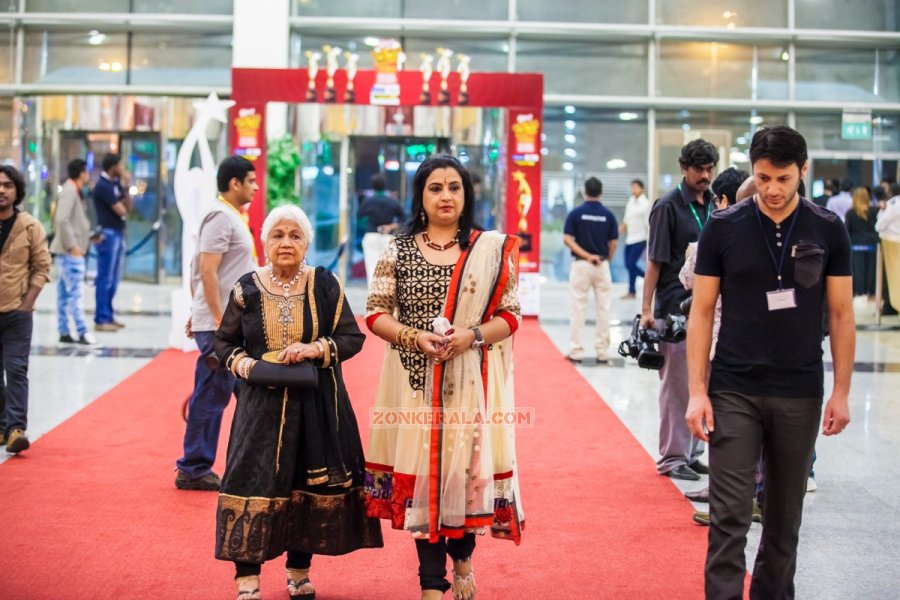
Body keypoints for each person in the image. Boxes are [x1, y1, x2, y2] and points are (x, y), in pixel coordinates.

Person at [686, 125, 854, 599]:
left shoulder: (827, 227)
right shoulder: (724, 226)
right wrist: (697, 391)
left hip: (800, 390)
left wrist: (840, 392)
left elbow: (841, 314)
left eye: (782, 178)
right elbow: (701, 312)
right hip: (733, 387)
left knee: (783, 521)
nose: (772, 190)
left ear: (803, 171)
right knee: (730, 516)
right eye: (762, 178)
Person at [364, 155, 523, 600]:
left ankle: (465, 558)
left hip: (468, 381)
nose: (446, 196)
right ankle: (431, 585)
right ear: (421, 196)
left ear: (467, 194)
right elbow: (375, 312)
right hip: (414, 384)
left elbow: (511, 316)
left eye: (455, 187)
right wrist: (415, 338)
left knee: (463, 479)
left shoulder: (486, 250)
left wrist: (469, 337)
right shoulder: (397, 249)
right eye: (436, 188)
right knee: (424, 483)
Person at [213, 204, 383, 600]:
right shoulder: (247, 288)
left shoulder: (324, 284)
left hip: (317, 405)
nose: (286, 242)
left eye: (294, 235)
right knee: (251, 479)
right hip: (259, 410)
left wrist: (314, 349)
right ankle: (247, 578)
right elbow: (223, 342)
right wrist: (248, 366)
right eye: (277, 235)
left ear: (307, 242)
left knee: (306, 487)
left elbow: (351, 338)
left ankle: (298, 573)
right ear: (265, 242)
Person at [175, 156, 258, 491]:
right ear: (234, 183)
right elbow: (206, 270)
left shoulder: (231, 216)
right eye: (250, 180)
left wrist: (202, 313)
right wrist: (215, 317)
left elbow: (208, 271)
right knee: (213, 393)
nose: (254, 186)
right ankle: (193, 467)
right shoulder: (220, 216)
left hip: (227, 322)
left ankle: (246, 462)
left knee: (247, 392)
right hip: (222, 324)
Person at [641, 138, 718, 481]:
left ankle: (693, 452)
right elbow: (655, 263)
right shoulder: (668, 206)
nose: (705, 175)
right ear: (684, 169)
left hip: (707, 307)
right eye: (699, 169)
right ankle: (673, 457)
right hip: (673, 306)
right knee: (676, 386)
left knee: (701, 383)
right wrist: (647, 309)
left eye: (709, 169)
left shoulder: (714, 204)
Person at [0, 165, 52, 454]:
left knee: (16, 370)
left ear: (17, 190)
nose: (1, 190)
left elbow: (42, 267)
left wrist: (26, 304)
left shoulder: (30, 226)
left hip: (17, 313)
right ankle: (1, 426)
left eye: (7, 185)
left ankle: (16, 428)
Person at [563, 176, 619, 363]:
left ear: (585, 192)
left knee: (578, 307)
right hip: (601, 266)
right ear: (601, 192)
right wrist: (605, 261)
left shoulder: (576, 213)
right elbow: (613, 243)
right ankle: (602, 353)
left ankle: (576, 351)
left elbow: (567, 239)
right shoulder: (608, 215)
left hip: (581, 265)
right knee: (604, 309)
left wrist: (586, 256)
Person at [50, 158, 98, 346]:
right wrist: (73, 246)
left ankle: (64, 331)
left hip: (67, 252)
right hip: (70, 253)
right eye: (86, 172)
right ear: (81, 173)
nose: (88, 175)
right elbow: (62, 220)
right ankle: (82, 331)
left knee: (63, 294)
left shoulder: (73, 190)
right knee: (75, 294)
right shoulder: (70, 190)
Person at [92, 153, 131, 331]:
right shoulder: (102, 186)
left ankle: (108, 314)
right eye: (120, 165)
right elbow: (120, 210)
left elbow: (127, 209)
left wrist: (127, 186)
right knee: (105, 278)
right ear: (113, 166)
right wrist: (122, 206)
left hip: (118, 232)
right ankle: (101, 318)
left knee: (113, 279)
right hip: (108, 234)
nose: (122, 168)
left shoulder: (115, 184)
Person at [359, 173, 406, 284]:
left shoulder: (368, 201)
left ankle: (373, 297)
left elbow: (360, 218)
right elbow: (403, 219)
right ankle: (387, 296)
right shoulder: (392, 201)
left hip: (371, 235)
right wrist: (390, 226)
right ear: (385, 185)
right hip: (388, 237)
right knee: (388, 269)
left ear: (372, 185)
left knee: (372, 268)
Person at [845, 186, 880, 298]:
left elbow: (847, 230)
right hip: (872, 245)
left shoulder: (850, 213)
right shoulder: (875, 211)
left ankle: (860, 293)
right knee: (871, 271)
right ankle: (871, 293)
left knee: (858, 270)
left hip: (856, 245)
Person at [620, 178, 650, 299]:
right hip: (629, 238)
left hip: (640, 238)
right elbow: (626, 219)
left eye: (636, 187)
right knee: (628, 265)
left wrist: (650, 240)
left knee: (631, 264)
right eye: (632, 187)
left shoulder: (645, 204)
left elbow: (648, 223)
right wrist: (621, 228)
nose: (633, 190)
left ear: (641, 189)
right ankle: (632, 291)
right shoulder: (631, 201)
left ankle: (645, 282)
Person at [876, 182, 900, 316]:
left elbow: (880, 224)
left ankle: (891, 306)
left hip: (891, 242)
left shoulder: (893, 204)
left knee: (890, 277)